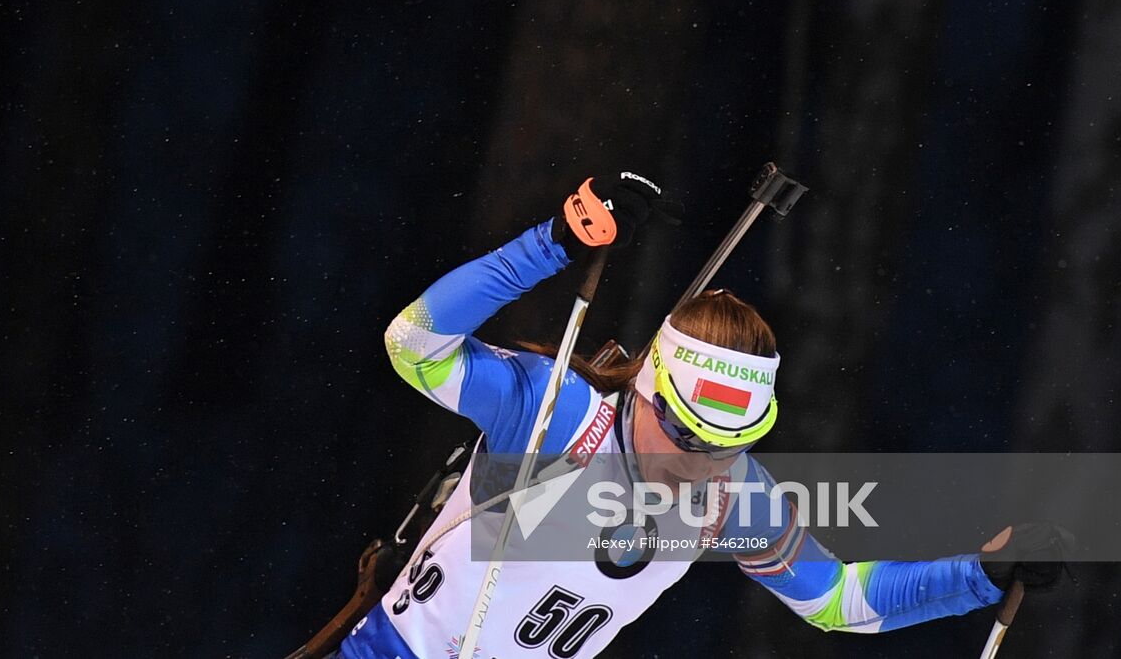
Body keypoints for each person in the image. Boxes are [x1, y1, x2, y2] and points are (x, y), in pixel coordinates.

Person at [334, 173, 1067, 659]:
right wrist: (554, 240)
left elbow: (841, 602)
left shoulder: (731, 501)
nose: (699, 462)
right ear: (647, 389)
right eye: (685, 431)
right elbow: (414, 343)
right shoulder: (552, 412)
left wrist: (980, 573)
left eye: (731, 443)